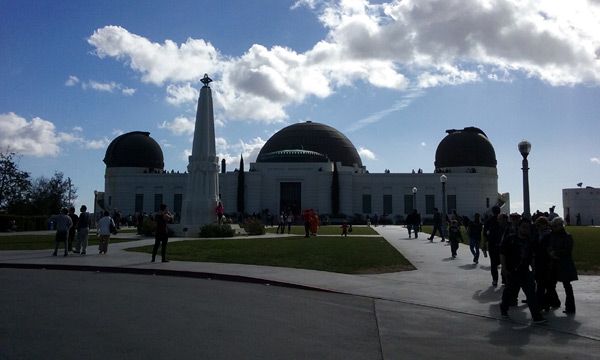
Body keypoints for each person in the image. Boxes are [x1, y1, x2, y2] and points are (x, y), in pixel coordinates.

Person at [499, 219, 546, 324]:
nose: (525, 229)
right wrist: (504, 268)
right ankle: (504, 309)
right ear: (519, 228)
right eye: (523, 227)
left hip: (525, 271)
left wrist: (533, 269)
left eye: (527, 228)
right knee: (509, 292)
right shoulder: (510, 239)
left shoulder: (530, 241)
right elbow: (502, 253)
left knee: (531, 294)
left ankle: (536, 317)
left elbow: (532, 256)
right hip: (512, 271)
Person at [549, 217, 578, 314]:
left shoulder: (567, 236)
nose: (553, 228)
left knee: (567, 286)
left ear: (560, 225)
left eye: (555, 226)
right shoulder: (552, 235)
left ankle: (570, 307)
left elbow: (567, 250)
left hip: (564, 264)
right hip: (555, 263)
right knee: (551, 285)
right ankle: (554, 301)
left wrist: (555, 253)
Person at [533, 216, 559, 312]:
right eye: (537, 225)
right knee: (544, 285)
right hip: (539, 262)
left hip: (548, 263)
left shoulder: (550, 235)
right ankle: (552, 302)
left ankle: (542, 304)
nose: (538, 227)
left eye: (540, 225)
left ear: (545, 224)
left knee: (546, 285)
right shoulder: (537, 235)